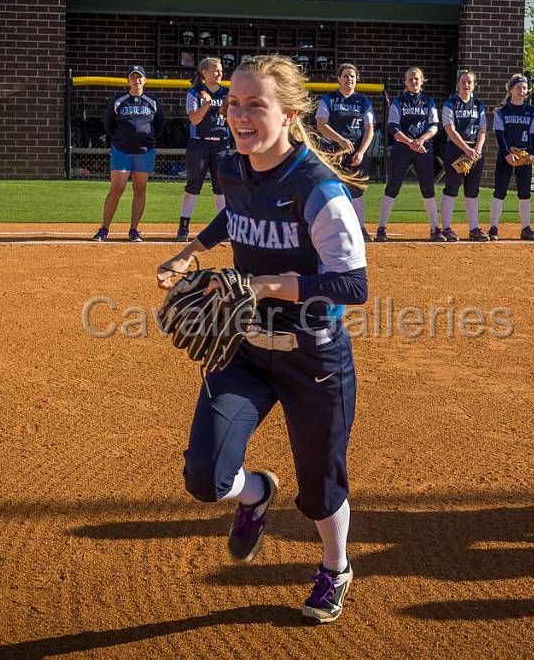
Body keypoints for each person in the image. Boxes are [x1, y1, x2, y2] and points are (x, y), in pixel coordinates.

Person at [155, 54, 365, 625]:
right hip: (243, 348)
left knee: (321, 490)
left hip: (312, 356)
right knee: (206, 478)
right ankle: (254, 494)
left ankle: (334, 567)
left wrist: (261, 282)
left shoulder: (318, 188)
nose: (240, 115)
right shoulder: (231, 166)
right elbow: (235, 217)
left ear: (291, 115)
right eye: (233, 103)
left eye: (255, 105)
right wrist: (191, 250)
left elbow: (353, 283)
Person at [93, 65, 165, 242]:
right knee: (117, 189)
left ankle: (134, 230)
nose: (136, 80)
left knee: (140, 189)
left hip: (144, 151)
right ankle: (104, 229)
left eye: (139, 77)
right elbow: (108, 124)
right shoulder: (119, 101)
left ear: (145, 79)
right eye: (133, 77)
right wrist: (120, 139)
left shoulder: (152, 102)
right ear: (128, 80)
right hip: (121, 151)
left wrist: (147, 140)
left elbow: (160, 125)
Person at [376, 67, 441, 242]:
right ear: (405, 82)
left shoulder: (428, 102)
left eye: (417, 79)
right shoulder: (399, 102)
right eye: (410, 79)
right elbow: (393, 127)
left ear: (422, 81)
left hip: (423, 147)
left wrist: (420, 140)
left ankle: (435, 228)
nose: (413, 82)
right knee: (393, 185)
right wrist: (410, 142)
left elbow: (434, 125)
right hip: (402, 147)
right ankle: (381, 228)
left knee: (428, 187)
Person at [315, 63, 376, 242]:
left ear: (356, 80)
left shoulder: (363, 102)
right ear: (339, 79)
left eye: (352, 76)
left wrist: (362, 151)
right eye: (345, 76)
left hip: (355, 151)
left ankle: (360, 228)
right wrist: (340, 140)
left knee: (356, 191)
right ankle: (330, 229)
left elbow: (369, 128)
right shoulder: (329, 99)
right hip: (333, 151)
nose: (349, 79)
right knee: (330, 189)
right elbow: (321, 124)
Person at [175, 58, 231, 242]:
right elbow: (194, 120)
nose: (219, 74)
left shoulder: (228, 93)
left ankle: (223, 228)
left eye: (221, 70)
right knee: (193, 185)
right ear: (204, 73)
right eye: (215, 70)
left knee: (221, 187)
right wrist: (207, 104)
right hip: (199, 143)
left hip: (221, 143)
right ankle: (183, 227)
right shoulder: (195, 92)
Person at [489, 74, 534, 241]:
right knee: (500, 191)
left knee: (524, 192)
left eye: (524, 88)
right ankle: (494, 227)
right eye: (518, 88)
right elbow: (499, 134)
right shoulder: (502, 111)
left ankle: (525, 227)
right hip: (506, 155)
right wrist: (506, 154)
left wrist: (531, 154)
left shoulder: (531, 111)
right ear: (510, 90)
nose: (522, 91)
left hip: (524, 154)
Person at [439, 69, 488, 242]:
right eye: (463, 81)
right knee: (451, 189)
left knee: (472, 191)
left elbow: (482, 129)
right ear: (458, 84)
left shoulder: (479, 105)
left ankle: (474, 228)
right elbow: (449, 129)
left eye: (470, 82)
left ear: (474, 85)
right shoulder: (450, 103)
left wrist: (478, 149)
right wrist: (466, 149)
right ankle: (446, 228)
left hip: (475, 152)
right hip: (456, 150)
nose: (466, 85)